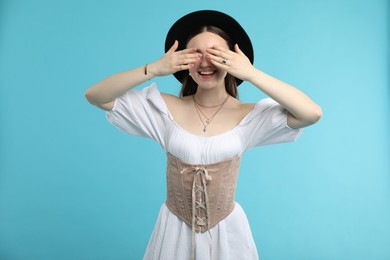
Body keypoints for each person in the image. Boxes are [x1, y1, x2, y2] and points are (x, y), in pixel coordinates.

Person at [85, 9, 322, 260]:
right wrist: (153, 68)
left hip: (228, 236)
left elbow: (311, 113)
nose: (205, 62)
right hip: (173, 233)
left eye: (215, 53)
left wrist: (251, 73)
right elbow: (96, 96)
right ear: (184, 61)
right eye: (196, 53)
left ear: (231, 60)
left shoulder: (249, 116)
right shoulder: (162, 109)